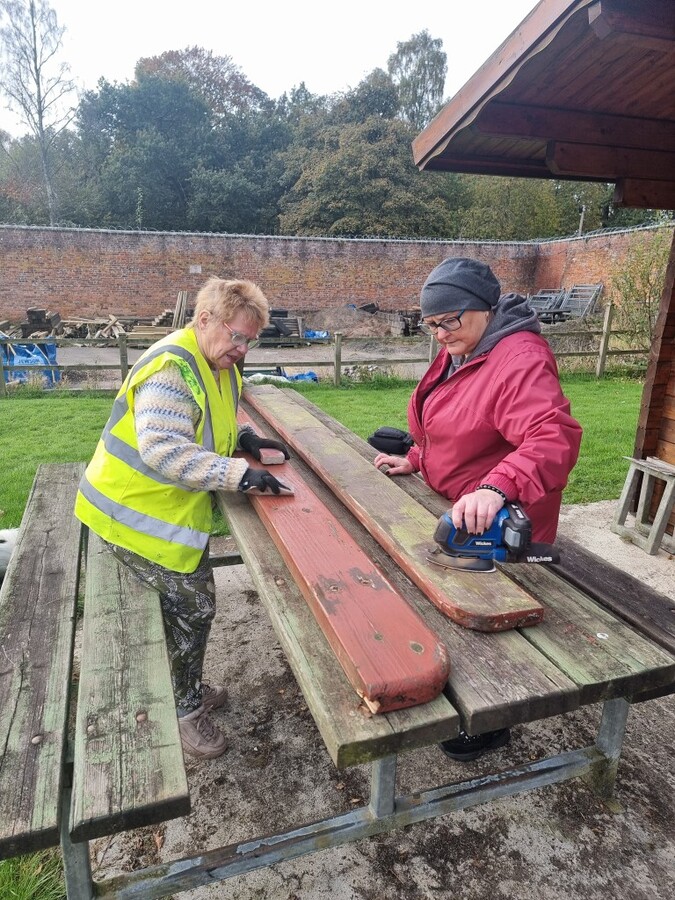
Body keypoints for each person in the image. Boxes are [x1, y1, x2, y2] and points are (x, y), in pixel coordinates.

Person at [373, 257, 582, 761]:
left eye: (449, 320)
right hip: (463, 504)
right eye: (431, 324)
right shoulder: (463, 349)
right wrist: (417, 458)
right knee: (453, 605)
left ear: (484, 309)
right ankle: (472, 699)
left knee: (498, 619)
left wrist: (497, 488)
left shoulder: (518, 358)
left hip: (500, 515)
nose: (440, 333)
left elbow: (552, 438)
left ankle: (493, 718)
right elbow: (450, 421)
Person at [74, 276, 290, 760]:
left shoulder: (219, 363)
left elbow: (210, 419)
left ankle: (184, 688)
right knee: (195, 605)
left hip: (159, 512)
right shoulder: (173, 368)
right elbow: (164, 449)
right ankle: (184, 707)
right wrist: (241, 475)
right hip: (128, 517)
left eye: (251, 340)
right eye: (237, 336)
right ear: (204, 320)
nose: (243, 348)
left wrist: (244, 440)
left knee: (196, 599)